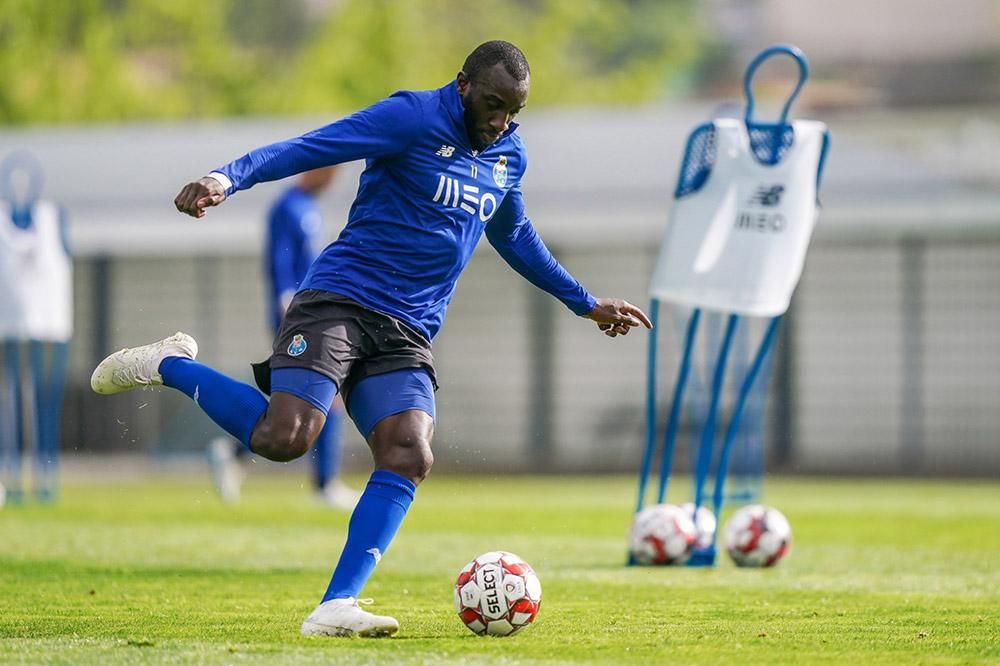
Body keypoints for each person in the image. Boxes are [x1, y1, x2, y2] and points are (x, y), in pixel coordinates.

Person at [91, 40, 652, 638]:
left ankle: (336, 605)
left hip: (408, 329)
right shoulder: (410, 116)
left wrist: (585, 302)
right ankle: (170, 362)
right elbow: (311, 147)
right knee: (285, 439)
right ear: (462, 84)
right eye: (491, 105)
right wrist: (226, 177)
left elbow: (514, 236)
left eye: (512, 112)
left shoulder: (508, 153)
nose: (499, 122)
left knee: (410, 453)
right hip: (341, 301)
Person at [207, 166, 359, 510]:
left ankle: (233, 452)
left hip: (312, 312)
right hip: (296, 314)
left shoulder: (307, 208)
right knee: (326, 396)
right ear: (316, 171)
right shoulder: (286, 207)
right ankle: (324, 485)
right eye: (331, 174)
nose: (333, 182)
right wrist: (286, 304)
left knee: (306, 401)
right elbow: (279, 262)